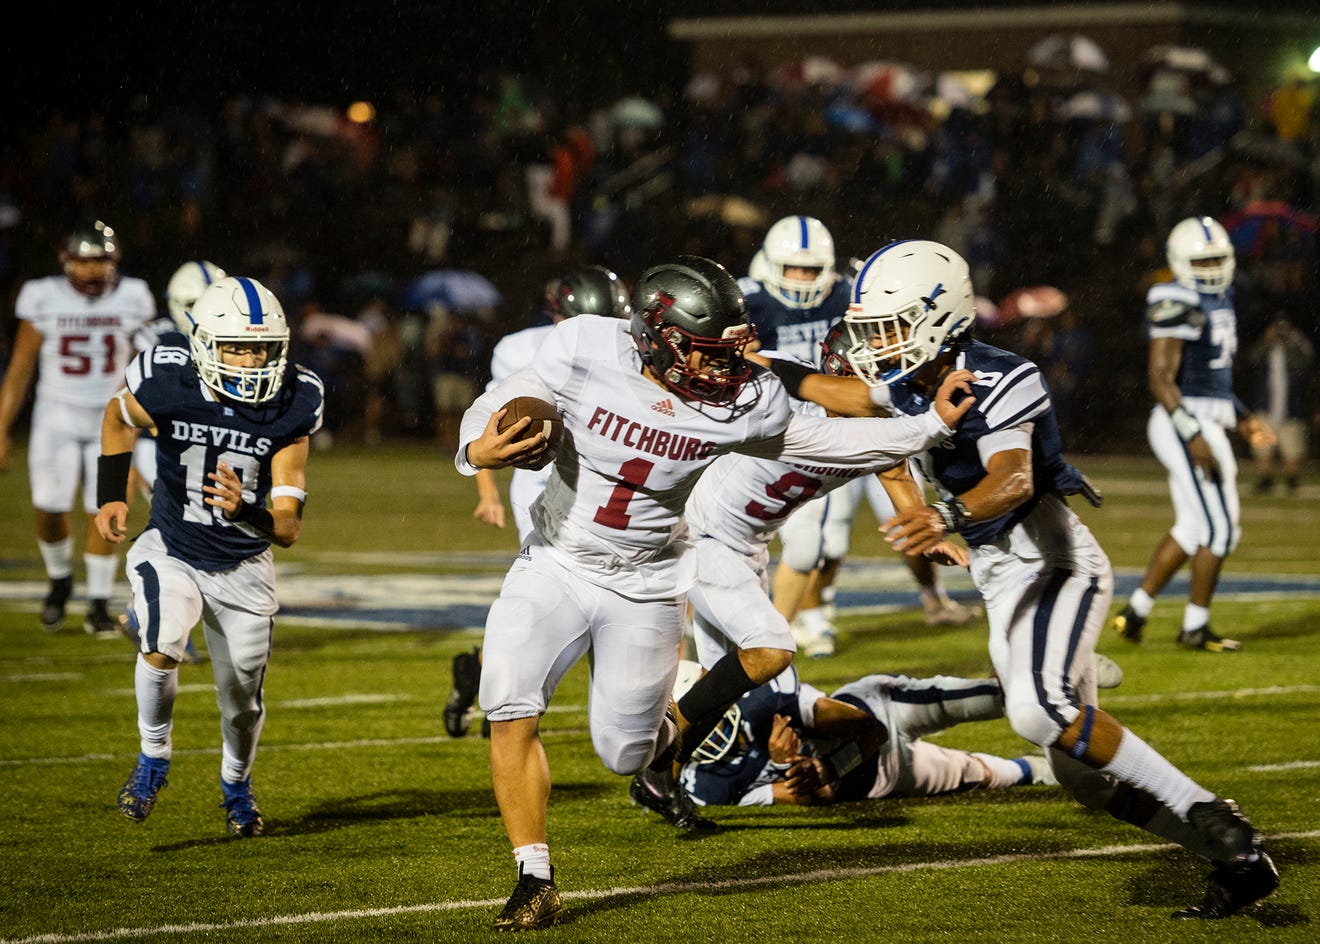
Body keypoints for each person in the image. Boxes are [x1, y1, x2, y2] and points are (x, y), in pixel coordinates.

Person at [455, 255, 974, 931]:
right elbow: (497, 405)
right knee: (508, 704)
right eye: (706, 355)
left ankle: (666, 743)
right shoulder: (585, 344)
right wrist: (480, 449)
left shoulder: (746, 399)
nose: (723, 370)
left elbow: (830, 438)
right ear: (657, 338)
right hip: (556, 562)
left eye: (729, 354)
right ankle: (535, 875)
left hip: (646, 584)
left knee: (624, 752)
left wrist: (930, 428)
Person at [841, 238, 1278, 920]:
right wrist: (918, 520)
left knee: (1036, 709)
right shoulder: (897, 389)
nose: (880, 344)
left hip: (1051, 560)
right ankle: (1238, 861)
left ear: (939, 314)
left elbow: (1013, 479)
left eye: (892, 326)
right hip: (999, 575)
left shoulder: (1002, 374)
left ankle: (1211, 812)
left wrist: (945, 514)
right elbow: (891, 459)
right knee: (1082, 779)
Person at [93, 275, 323, 838]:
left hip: (244, 564)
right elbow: (118, 417)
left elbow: (288, 529)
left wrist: (246, 509)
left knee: (241, 701)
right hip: (170, 546)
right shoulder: (169, 379)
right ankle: (153, 759)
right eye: (237, 347)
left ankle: (236, 786)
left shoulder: (295, 402)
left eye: (261, 348)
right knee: (163, 640)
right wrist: (110, 494)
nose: (250, 361)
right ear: (203, 346)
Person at [447, 264, 632, 739]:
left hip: (607, 482)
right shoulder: (524, 350)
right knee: (562, 598)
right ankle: (513, 699)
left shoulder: (634, 345)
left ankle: (484, 675)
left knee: (592, 606)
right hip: (541, 482)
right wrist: (485, 486)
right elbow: (498, 422)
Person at [1111, 217, 1276, 652]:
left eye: (1218, 258)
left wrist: (1242, 418)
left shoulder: (1222, 297)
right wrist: (1191, 434)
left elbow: (1214, 376)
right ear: (1180, 262)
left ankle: (1135, 613)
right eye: (1203, 260)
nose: (1212, 267)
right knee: (1220, 530)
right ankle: (1194, 627)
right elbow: (1160, 378)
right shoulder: (1175, 298)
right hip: (1182, 419)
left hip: (1205, 417)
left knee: (1192, 527)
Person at [0, 222, 155, 637]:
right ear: (65, 260)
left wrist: (146, 428)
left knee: (104, 509)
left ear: (114, 262)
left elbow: (149, 370)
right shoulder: (43, 296)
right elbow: (20, 369)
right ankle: (60, 581)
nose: (91, 270)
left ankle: (99, 604)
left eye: (100, 260)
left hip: (112, 418)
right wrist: (1, 427)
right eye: (84, 260)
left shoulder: (134, 296)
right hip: (57, 415)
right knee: (50, 508)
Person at [674, 661, 1062, 808]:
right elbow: (809, 796)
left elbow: (870, 728)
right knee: (980, 773)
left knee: (984, 700)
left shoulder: (766, 701)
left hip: (881, 710)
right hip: (875, 777)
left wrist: (821, 768)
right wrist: (798, 768)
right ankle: (1040, 769)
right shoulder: (707, 786)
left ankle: (1050, 676)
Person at [117, 259, 226, 665]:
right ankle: (147, 616)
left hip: (192, 445)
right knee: (177, 531)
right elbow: (128, 398)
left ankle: (152, 615)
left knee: (181, 532)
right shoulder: (158, 338)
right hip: (158, 445)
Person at [1244, 315, 1313, 496]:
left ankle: (1292, 481)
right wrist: (1268, 340)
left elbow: (1304, 365)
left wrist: (1290, 343)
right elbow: (1251, 359)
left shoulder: (1297, 346)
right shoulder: (1266, 348)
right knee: (1262, 447)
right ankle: (1265, 479)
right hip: (1265, 404)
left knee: (1292, 448)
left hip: (1291, 407)